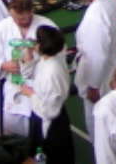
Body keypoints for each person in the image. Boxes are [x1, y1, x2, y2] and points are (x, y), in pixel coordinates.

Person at [0, 0, 59, 136]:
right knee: (12, 132)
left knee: (41, 133)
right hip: (15, 86)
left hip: (40, 87)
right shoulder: (3, 27)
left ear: (32, 11)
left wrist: (33, 60)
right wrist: (3, 65)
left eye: (25, 18)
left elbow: (58, 56)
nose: (21, 21)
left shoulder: (47, 27)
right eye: (17, 18)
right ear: (11, 13)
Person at [73, 0, 116, 138]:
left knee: (98, 122)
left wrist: (93, 86)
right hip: (115, 63)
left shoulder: (96, 17)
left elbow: (98, 55)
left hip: (102, 75)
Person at [20, 26, 75, 163]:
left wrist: (31, 94)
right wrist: (28, 55)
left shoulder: (52, 72)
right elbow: (29, 73)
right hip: (41, 116)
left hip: (51, 126)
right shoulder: (47, 60)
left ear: (41, 45)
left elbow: (49, 111)